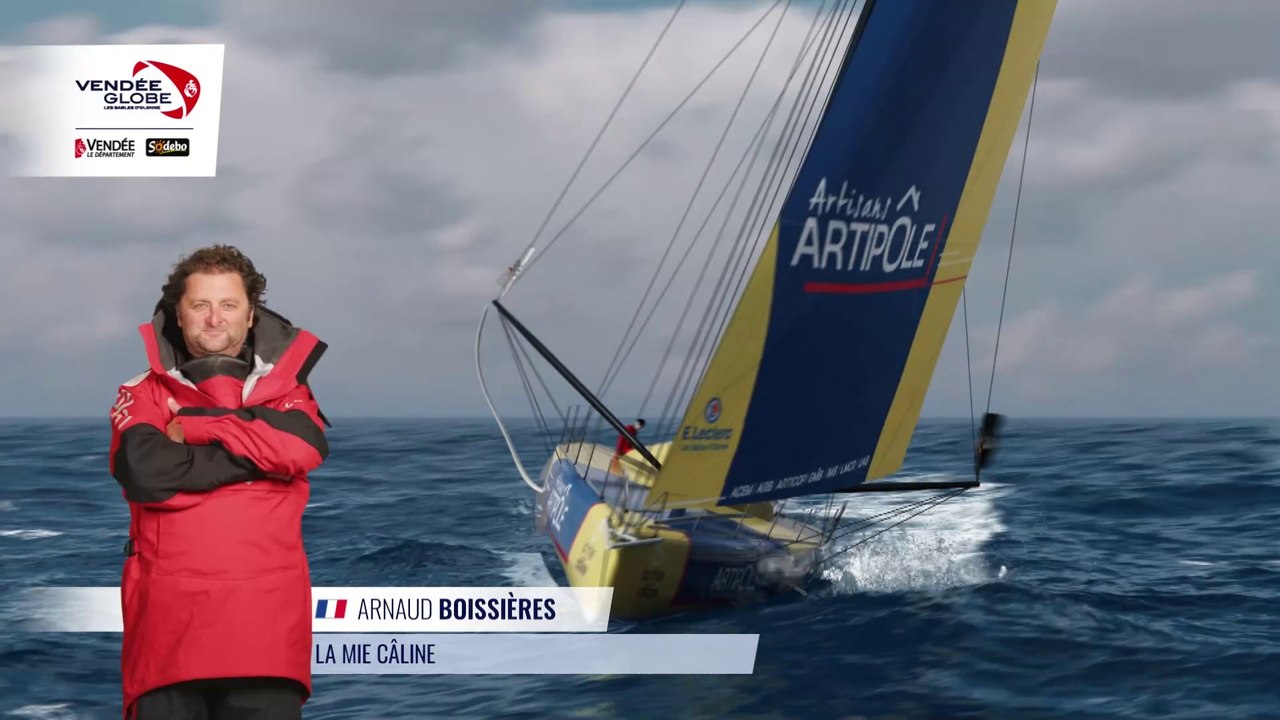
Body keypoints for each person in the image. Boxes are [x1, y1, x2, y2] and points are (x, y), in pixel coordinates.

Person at [108, 245, 330, 720]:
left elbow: (303, 449)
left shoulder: (291, 390)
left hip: (266, 638)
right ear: (178, 314)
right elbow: (146, 472)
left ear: (251, 317)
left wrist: (194, 428)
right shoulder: (140, 391)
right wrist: (261, 455)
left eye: (228, 305)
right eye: (200, 305)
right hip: (168, 638)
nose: (214, 319)